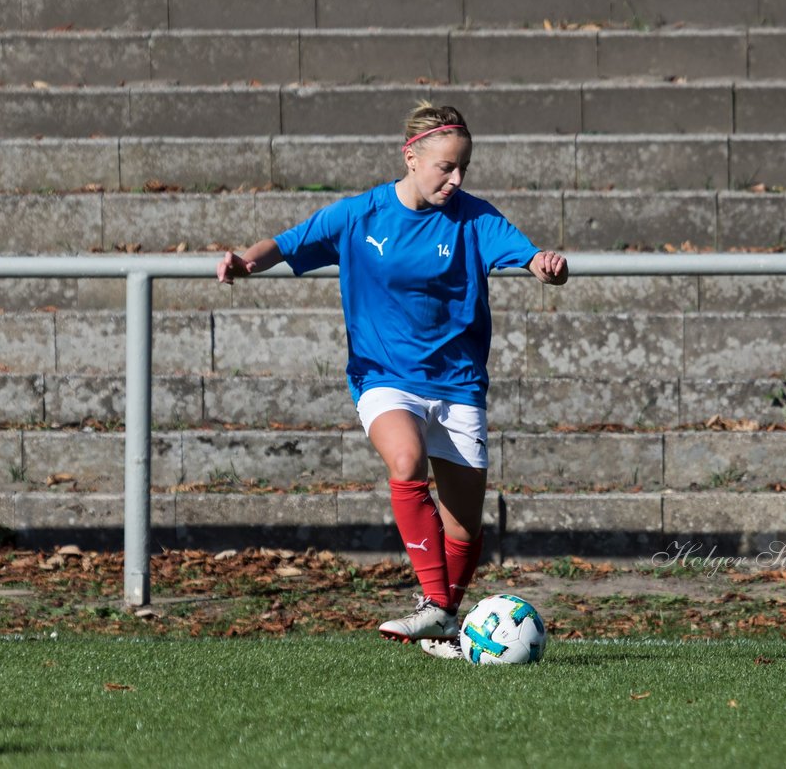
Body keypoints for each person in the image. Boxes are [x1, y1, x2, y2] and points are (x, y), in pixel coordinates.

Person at [217, 102, 568, 658]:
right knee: (405, 462)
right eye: (445, 167)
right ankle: (435, 607)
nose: (455, 180)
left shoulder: (475, 218)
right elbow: (284, 245)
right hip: (383, 377)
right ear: (411, 156)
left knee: (464, 532)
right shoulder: (360, 214)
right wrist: (244, 262)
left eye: (463, 170)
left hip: (457, 384)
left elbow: (525, 254)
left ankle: (444, 623)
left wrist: (544, 264)